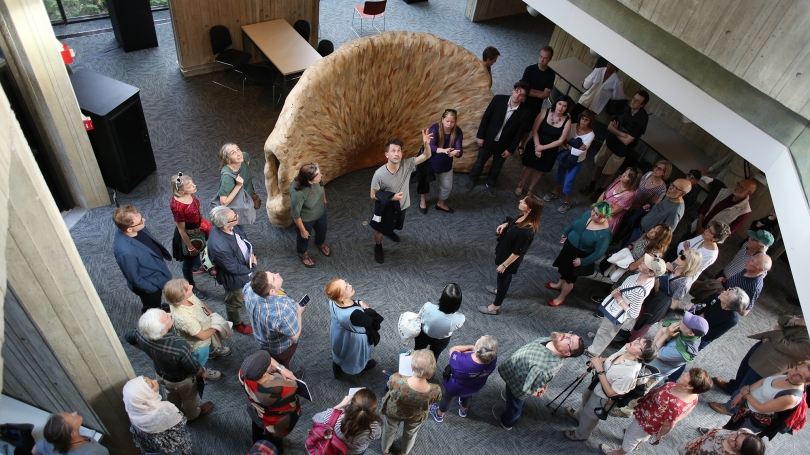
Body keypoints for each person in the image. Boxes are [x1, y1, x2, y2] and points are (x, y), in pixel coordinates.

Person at [710, 315, 809, 416]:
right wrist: (798, 321)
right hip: (764, 348)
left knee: (749, 384)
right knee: (743, 372)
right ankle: (733, 387)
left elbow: (782, 344)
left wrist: (778, 331)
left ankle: (731, 408)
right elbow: (782, 319)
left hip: (772, 363)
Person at [124, 309, 213, 421]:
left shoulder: (141, 333)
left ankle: (175, 411)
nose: (169, 314)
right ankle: (193, 416)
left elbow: (128, 337)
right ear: (163, 330)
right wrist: (202, 372)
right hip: (181, 381)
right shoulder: (178, 346)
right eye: (166, 317)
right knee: (189, 398)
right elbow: (193, 368)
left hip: (160, 375)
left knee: (171, 393)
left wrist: (147, 350)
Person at [600, 368, 712, 455]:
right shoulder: (693, 395)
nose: (684, 373)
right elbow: (686, 411)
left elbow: (670, 424)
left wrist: (660, 435)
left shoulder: (676, 404)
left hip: (648, 421)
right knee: (640, 436)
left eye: (688, 376)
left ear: (690, 387)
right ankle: (638, 441)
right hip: (650, 415)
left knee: (631, 436)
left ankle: (619, 453)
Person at [564, 340, 657, 442]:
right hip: (597, 382)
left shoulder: (629, 375)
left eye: (639, 345)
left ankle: (581, 434)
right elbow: (610, 359)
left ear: (640, 357)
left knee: (591, 414)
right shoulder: (625, 349)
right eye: (639, 340)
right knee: (585, 397)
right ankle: (579, 416)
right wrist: (600, 361)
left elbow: (610, 393)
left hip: (602, 396)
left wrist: (600, 369)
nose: (635, 342)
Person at [495, 332, 585, 430]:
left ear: (567, 353)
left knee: (515, 404)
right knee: (511, 395)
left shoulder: (543, 368)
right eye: (571, 335)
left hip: (518, 385)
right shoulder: (553, 342)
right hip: (516, 373)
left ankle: (508, 422)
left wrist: (533, 390)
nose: (566, 335)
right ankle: (510, 395)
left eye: (569, 341)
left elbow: (526, 389)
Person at [370, 130, 433, 263]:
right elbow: (373, 195)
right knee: (379, 229)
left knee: (394, 224)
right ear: (386, 154)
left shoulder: (407, 165)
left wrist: (426, 143)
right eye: (393, 150)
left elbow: (427, 155)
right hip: (385, 208)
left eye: (399, 150)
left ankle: (390, 231)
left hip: (402, 205)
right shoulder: (379, 174)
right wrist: (391, 198)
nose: (396, 153)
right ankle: (378, 246)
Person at [586, 254, 666, 357]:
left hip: (618, 312)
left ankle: (593, 352)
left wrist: (619, 298)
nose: (642, 262)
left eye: (646, 264)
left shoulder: (640, 290)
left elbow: (634, 313)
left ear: (651, 273)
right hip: (615, 308)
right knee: (604, 330)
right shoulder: (642, 275)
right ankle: (598, 342)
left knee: (606, 333)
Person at [478, 195, 543, 315]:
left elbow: (517, 252)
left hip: (509, 259)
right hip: (506, 253)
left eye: (524, 202)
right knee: (505, 279)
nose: (520, 201)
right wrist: (505, 225)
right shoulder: (523, 217)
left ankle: (495, 307)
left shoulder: (526, 231)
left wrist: (504, 265)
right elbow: (513, 223)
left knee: (502, 278)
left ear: (529, 209)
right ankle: (500, 290)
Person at [466, 81, 533, 197]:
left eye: (521, 94)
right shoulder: (498, 99)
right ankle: (473, 179)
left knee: (497, 166)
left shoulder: (526, 112)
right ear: (513, 90)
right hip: (488, 139)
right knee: (480, 162)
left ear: (524, 97)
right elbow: (486, 118)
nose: (517, 95)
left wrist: (511, 149)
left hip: (504, 144)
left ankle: (490, 183)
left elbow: (519, 133)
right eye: (516, 91)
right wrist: (481, 136)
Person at [580, 90, 650, 199]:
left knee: (610, 171)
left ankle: (599, 191)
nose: (633, 102)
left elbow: (627, 141)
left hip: (621, 150)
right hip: (610, 142)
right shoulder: (626, 108)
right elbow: (609, 127)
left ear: (642, 105)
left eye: (637, 101)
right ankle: (591, 185)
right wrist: (622, 134)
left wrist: (616, 131)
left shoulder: (641, 120)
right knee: (599, 164)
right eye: (634, 99)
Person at [164, 278, 232, 380]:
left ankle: (212, 352)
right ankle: (201, 372)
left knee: (209, 346)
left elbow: (200, 304)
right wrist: (216, 326)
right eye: (188, 288)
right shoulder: (184, 318)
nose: (192, 286)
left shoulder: (187, 297)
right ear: (180, 297)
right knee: (199, 360)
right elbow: (202, 336)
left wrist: (212, 315)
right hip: (199, 345)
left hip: (207, 332)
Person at [718, 364, 810, 438]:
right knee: (729, 428)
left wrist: (746, 394)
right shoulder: (788, 372)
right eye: (796, 368)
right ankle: (715, 437)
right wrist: (741, 394)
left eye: (800, 376)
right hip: (746, 408)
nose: (793, 373)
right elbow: (764, 380)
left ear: (806, 382)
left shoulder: (791, 397)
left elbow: (761, 408)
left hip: (753, 419)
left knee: (735, 439)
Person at [547, 202, 612, 307]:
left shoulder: (604, 234)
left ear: (604, 217)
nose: (592, 214)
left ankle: (561, 298)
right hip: (569, 247)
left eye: (596, 214)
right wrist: (566, 232)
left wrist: (583, 261)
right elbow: (575, 223)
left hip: (580, 256)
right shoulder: (587, 214)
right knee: (564, 269)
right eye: (593, 210)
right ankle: (559, 285)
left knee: (570, 278)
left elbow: (599, 253)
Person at [380, 349, 442, 455]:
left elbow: (389, 386)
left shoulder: (397, 380)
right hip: (416, 416)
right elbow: (435, 400)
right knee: (410, 434)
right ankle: (404, 451)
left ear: (412, 368)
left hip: (394, 411)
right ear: (431, 373)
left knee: (389, 431)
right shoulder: (435, 390)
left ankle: (385, 449)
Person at [239, 350, 302, 453]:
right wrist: (283, 371)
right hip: (275, 420)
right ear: (264, 373)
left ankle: (257, 442)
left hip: (256, 411)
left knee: (257, 429)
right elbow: (294, 386)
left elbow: (269, 361)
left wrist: (281, 369)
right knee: (275, 439)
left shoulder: (243, 373)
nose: (270, 361)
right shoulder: (281, 388)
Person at [112, 205, 172, 313]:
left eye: (141, 217)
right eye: (140, 222)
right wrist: (152, 289)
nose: (144, 220)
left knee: (156, 303)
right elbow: (134, 278)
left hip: (156, 273)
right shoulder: (125, 252)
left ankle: (158, 307)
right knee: (151, 308)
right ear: (129, 229)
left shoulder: (135, 227)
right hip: (150, 284)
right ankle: (155, 324)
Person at [207, 205, 255, 335]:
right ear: (224, 225)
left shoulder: (228, 226)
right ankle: (236, 323)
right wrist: (252, 266)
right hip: (234, 279)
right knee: (233, 302)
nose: (237, 216)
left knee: (241, 293)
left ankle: (242, 294)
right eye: (234, 217)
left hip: (242, 269)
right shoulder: (219, 246)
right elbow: (233, 268)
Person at [244, 270, 305, 369]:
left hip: (262, 337)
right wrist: (299, 311)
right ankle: (286, 379)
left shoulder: (250, 289)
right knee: (282, 366)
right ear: (271, 291)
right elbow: (294, 335)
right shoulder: (283, 312)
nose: (277, 274)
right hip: (280, 348)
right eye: (274, 277)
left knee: (269, 361)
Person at [429, 335, 498, 422]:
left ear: (478, 350)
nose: (481, 337)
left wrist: (472, 347)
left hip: (456, 386)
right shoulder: (493, 359)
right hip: (475, 385)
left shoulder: (461, 360)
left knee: (448, 398)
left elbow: (452, 350)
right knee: (467, 395)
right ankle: (463, 410)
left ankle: (439, 414)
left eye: (479, 339)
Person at [516, 95, 573, 197]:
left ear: (567, 108)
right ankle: (521, 184)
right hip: (535, 143)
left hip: (550, 149)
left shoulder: (567, 121)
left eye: (564, 106)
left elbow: (560, 141)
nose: (561, 107)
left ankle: (531, 189)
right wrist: (538, 146)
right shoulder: (545, 112)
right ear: (556, 103)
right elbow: (534, 130)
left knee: (540, 170)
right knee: (528, 166)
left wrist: (543, 148)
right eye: (559, 104)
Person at [325, 278, 383, 378]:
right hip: (353, 338)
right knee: (354, 355)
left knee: (340, 350)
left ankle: (337, 369)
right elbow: (370, 321)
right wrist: (366, 307)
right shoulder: (354, 314)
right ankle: (360, 367)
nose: (350, 286)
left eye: (346, 283)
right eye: (346, 288)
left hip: (338, 331)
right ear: (341, 298)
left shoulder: (332, 301)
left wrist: (357, 301)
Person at [122, 376, 193, 455]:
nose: (155, 381)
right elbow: (181, 422)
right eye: (152, 385)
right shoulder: (164, 411)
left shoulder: (134, 409)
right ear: (147, 395)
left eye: (151, 379)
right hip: (170, 447)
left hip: (151, 446)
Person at [543, 109, 596, 213]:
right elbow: (564, 140)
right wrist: (571, 146)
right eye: (582, 118)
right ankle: (555, 192)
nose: (583, 121)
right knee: (559, 175)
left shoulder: (591, 135)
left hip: (577, 160)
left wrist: (569, 145)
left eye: (586, 120)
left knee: (569, 180)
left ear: (590, 122)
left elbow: (578, 152)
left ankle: (567, 202)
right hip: (566, 156)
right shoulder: (572, 126)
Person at [611, 161, 671, 246]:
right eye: (656, 166)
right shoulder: (649, 174)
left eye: (659, 169)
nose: (655, 169)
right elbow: (636, 185)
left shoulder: (662, 189)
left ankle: (613, 241)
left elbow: (649, 205)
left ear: (664, 173)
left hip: (636, 208)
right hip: (627, 200)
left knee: (622, 227)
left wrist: (632, 207)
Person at [169, 172, 208, 300]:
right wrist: (190, 247)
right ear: (180, 190)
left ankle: (197, 267)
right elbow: (181, 230)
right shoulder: (177, 205)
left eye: (192, 183)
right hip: (187, 235)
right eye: (190, 185)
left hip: (196, 229)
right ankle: (191, 286)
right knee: (188, 262)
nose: (194, 186)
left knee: (198, 253)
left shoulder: (190, 195)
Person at [311, 389, 382, 455]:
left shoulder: (332, 417)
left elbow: (316, 417)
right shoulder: (375, 428)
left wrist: (340, 405)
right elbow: (377, 436)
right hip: (356, 451)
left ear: (352, 403)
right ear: (372, 411)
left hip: (336, 446)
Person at [421, 109, 463, 213]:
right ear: (442, 119)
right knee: (425, 183)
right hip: (431, 161)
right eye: (447, 121)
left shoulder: (457, 131)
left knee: (447, 186)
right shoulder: (435, 128)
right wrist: (443, 150)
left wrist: (456, 153)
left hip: (446, 163)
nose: (449, 124)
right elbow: (431, 146)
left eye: (452, 122)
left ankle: (440, 203)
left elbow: (459, 150)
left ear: (455, 121)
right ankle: (423, 200)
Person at [289, 162, 330, 268]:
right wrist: (303, 230)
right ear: (309, 180)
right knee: (304, 238)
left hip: (321, 212)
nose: (321, 175)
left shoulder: (318, 180)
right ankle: (303, 253)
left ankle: (319, 243)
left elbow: (321, 186)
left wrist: (324, 200)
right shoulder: (298, 194)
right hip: (306, 219)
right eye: (318, 175)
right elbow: (296, 215)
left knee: (322, 231)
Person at [648, 312, 709, 379]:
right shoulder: (686, 331)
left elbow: (654, 354)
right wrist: (654, 346)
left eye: (685, 323)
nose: (681, 320)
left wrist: (665, 335)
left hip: (652, 370)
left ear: (691, 333)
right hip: (650, 358)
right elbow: (661, 330)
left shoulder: (682, 351)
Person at [629, 179, 692, 243]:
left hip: (644, 237)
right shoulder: (670, 196)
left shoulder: (675, 212)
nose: (670, 188)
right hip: (638, 227)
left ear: (682, 194)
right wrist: (651, 206)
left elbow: (665, 234)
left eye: (675, 188)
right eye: (672, 184)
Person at [690, 178, 757, 237]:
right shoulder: (724, 192)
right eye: (738, 184)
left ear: (748, 193)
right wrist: (699, 224)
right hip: (697, 226)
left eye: (741, 188)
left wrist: (709, 235)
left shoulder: (745, 211)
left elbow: (729, 231)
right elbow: (705, 208)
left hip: (709, 238)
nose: (737, 187)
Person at [414, 283, 465, 361]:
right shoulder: (460, 318)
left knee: (417, 352)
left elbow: (419, 318)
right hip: (441, 340)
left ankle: (413, 368)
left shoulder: (428, 307)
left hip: (423, 335)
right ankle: (429, 372)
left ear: (442, 297)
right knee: (434, 357)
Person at [519, 46, 556, 149]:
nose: (541, 60)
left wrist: (531, 90)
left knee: (528, 128)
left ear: (550, 59)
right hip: (523, 101)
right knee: (518, 123)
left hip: (535, 106)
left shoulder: (551, 75)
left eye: (545, 58)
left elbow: (546, 95)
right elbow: (524, 90)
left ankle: (521, 145)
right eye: (540, 56)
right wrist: (539, 93)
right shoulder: (530, 69)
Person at [33, 412, 109, 455]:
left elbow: (34, 451)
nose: (75, 413)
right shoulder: (92, 452)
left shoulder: (51, 442)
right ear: (72, 433)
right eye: (72, 417)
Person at [217, 142, 257, 226]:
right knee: (239, 226)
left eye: (238, 149)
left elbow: (246, 167)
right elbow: (224, 202)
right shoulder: (227, 178)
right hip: (236, 206)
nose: (239, 154)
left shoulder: (244, 156)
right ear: (228, 159)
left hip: (247, 196)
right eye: (233, 153)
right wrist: (238, 186)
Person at [597, 167, 642, 235]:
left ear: (632, 181)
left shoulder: (629, 195)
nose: (623, 175)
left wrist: (597, 212)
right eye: (624, 172)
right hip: (599, 211)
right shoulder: (619, 180)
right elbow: (605, 193)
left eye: (627, 176)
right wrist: (595, 206)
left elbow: (612, 212)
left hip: (608, 220)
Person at [677, 428, 765, 455]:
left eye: (735, 443)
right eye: (737, 435)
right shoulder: (745, 432)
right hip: (697, 443)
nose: (732, 438)